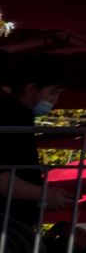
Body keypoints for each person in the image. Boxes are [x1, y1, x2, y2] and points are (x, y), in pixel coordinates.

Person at [0, 70, 63, 204]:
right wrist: (44, 195)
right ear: (30, 89)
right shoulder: (15, 115)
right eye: (53, 93)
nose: (55, 101)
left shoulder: (18, 115)